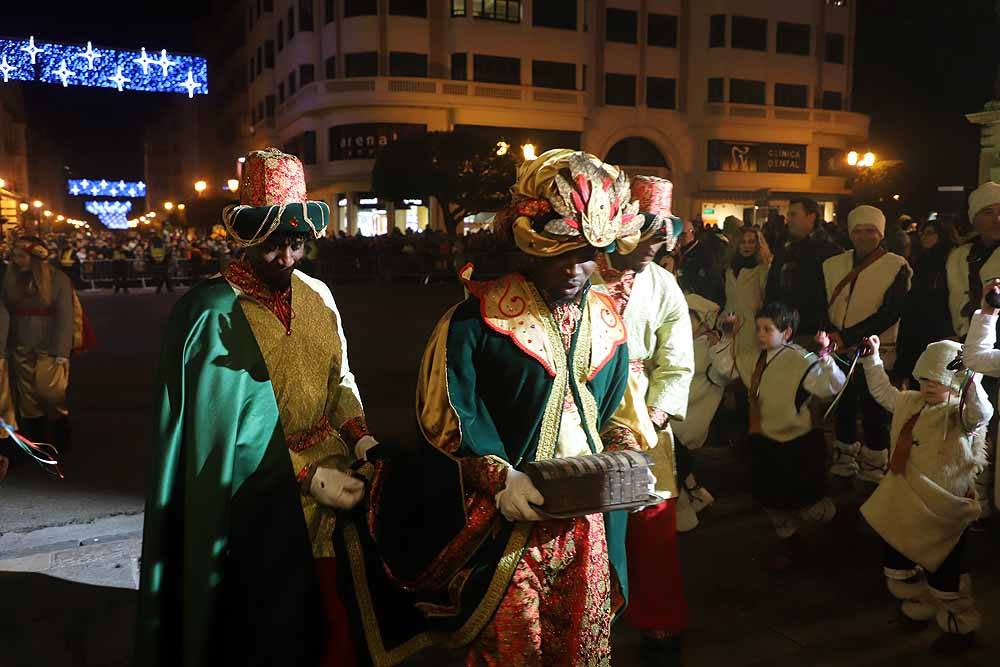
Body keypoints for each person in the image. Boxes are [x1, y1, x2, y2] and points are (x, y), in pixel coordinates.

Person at [339, 149, 638, 665]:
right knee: (510, 649)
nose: (575, 268)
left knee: (583, 651)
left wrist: (627, 464)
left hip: (586, 524)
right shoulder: (474, 321)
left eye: (589, 253)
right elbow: (450, 416)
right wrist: (500, 478)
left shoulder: (608, 318)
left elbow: (613, 415)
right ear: (528, 245)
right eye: (560, 251)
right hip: (504, 529)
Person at [136, 149, 374, 667]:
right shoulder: (207, 314)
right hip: (253, 502)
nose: (286, 258)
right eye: (272, 245)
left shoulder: (320, 295)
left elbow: (341, 379)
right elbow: (219, 439)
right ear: (244, 240)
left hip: (336, 489)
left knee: (338, 618)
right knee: (265, 626)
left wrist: (361, 436)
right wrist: (308, 477)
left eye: (296, 244)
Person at [592, 175, 694, 666]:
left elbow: (677, 361)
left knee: (652, 525)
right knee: (589, 522)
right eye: (647, 231)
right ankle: (592, 621)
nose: (657, 243)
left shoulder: (665, 284)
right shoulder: (582, 273)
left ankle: (659, 621)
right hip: (584, 409)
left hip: (646, 416)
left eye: (664, 233)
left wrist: (652, 415)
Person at [859, 335, 989, 656]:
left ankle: (959, 624)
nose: (930, 387)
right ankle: (918, 606)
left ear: (957, 382)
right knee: (900, 558)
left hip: (941, 508)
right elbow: (883, 392)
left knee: (944, 571)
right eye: (926, 379)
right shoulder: (910, 402)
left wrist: (972, 380)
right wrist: (872, 359)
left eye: (939, 381)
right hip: (904, 500)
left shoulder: (961, 416)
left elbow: (981, 412)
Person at [710, 302, 845, 570]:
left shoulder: (799, 358)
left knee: (807, 500)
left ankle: (830, 531)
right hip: (765, 441)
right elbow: (726, 369)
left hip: (797, 444)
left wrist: (825, 356)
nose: (760, 334)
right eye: (758, 328)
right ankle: (792, 544)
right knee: (773, 500)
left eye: (768, 329)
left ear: (787, 333)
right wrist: (727, 336)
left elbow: (833, 385)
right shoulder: (753, 359)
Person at [823, 205, 911, 483]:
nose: (863, 236)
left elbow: (891, 311)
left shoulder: (897, 265)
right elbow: (821, 302)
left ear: (881, 233)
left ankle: (875, 458)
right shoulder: (832, 264)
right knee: (844, 402)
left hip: (875, 348)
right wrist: (832, 335)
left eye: (870, 231)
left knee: (875, 405)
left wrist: (847, 337)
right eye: (857, 231)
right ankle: (846, 453)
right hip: (839, 347)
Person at [945, 181, 1000, 521]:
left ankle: (990, 500)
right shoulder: (958, 255)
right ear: (974, 218)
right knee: (964, 426)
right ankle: (972, 498)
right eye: (988, 212)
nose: (997, 218)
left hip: (993, 354)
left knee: (991, 428)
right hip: (963, 347)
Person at [3, 237, 75, 453]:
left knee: (51, 392)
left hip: (49, 345)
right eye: (15, 256)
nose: (16, 261)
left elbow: (65, 316)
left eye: (21, 256)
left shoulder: (58, 279)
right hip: (20, 343)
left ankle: (61, 429)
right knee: (27, 398)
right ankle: (37, 439)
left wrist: (62, 350)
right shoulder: (10, 279)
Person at [670, 292, 724, 532]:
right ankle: (697, 499)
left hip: (683, 421)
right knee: (678, 468)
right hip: (683, 419)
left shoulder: (702, 348)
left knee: (674, 468)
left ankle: (684, 518)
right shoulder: (698, 345)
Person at [765, 197, 842, 345]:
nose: (788, 219)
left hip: (811, 333)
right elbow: (773, 286)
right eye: (788, 215)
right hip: (783, 328)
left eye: (793, 215)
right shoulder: (785, 246)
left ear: (811, 217)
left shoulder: (829, 251)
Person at [895, 218, 958, 382]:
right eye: (922, 233)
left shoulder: (951, 259)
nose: (924, 237)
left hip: (939, 322)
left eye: (930, 233)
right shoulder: (920, 258)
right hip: (918, 321)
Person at [723, 226, 772, 357]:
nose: (747, 246)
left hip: (752, 328)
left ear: (758, 244)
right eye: (743, 242)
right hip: (730, 326)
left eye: (751, 242)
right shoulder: (729, 269)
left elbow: (765, 296)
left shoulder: (762, 268)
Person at [675, 218, 725, 305]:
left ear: (692, 232)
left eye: (682, 234)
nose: (679, 238)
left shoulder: (704, 252)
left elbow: (711, 280)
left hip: (701, 302)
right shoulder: (678, 251)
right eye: (677, 234)